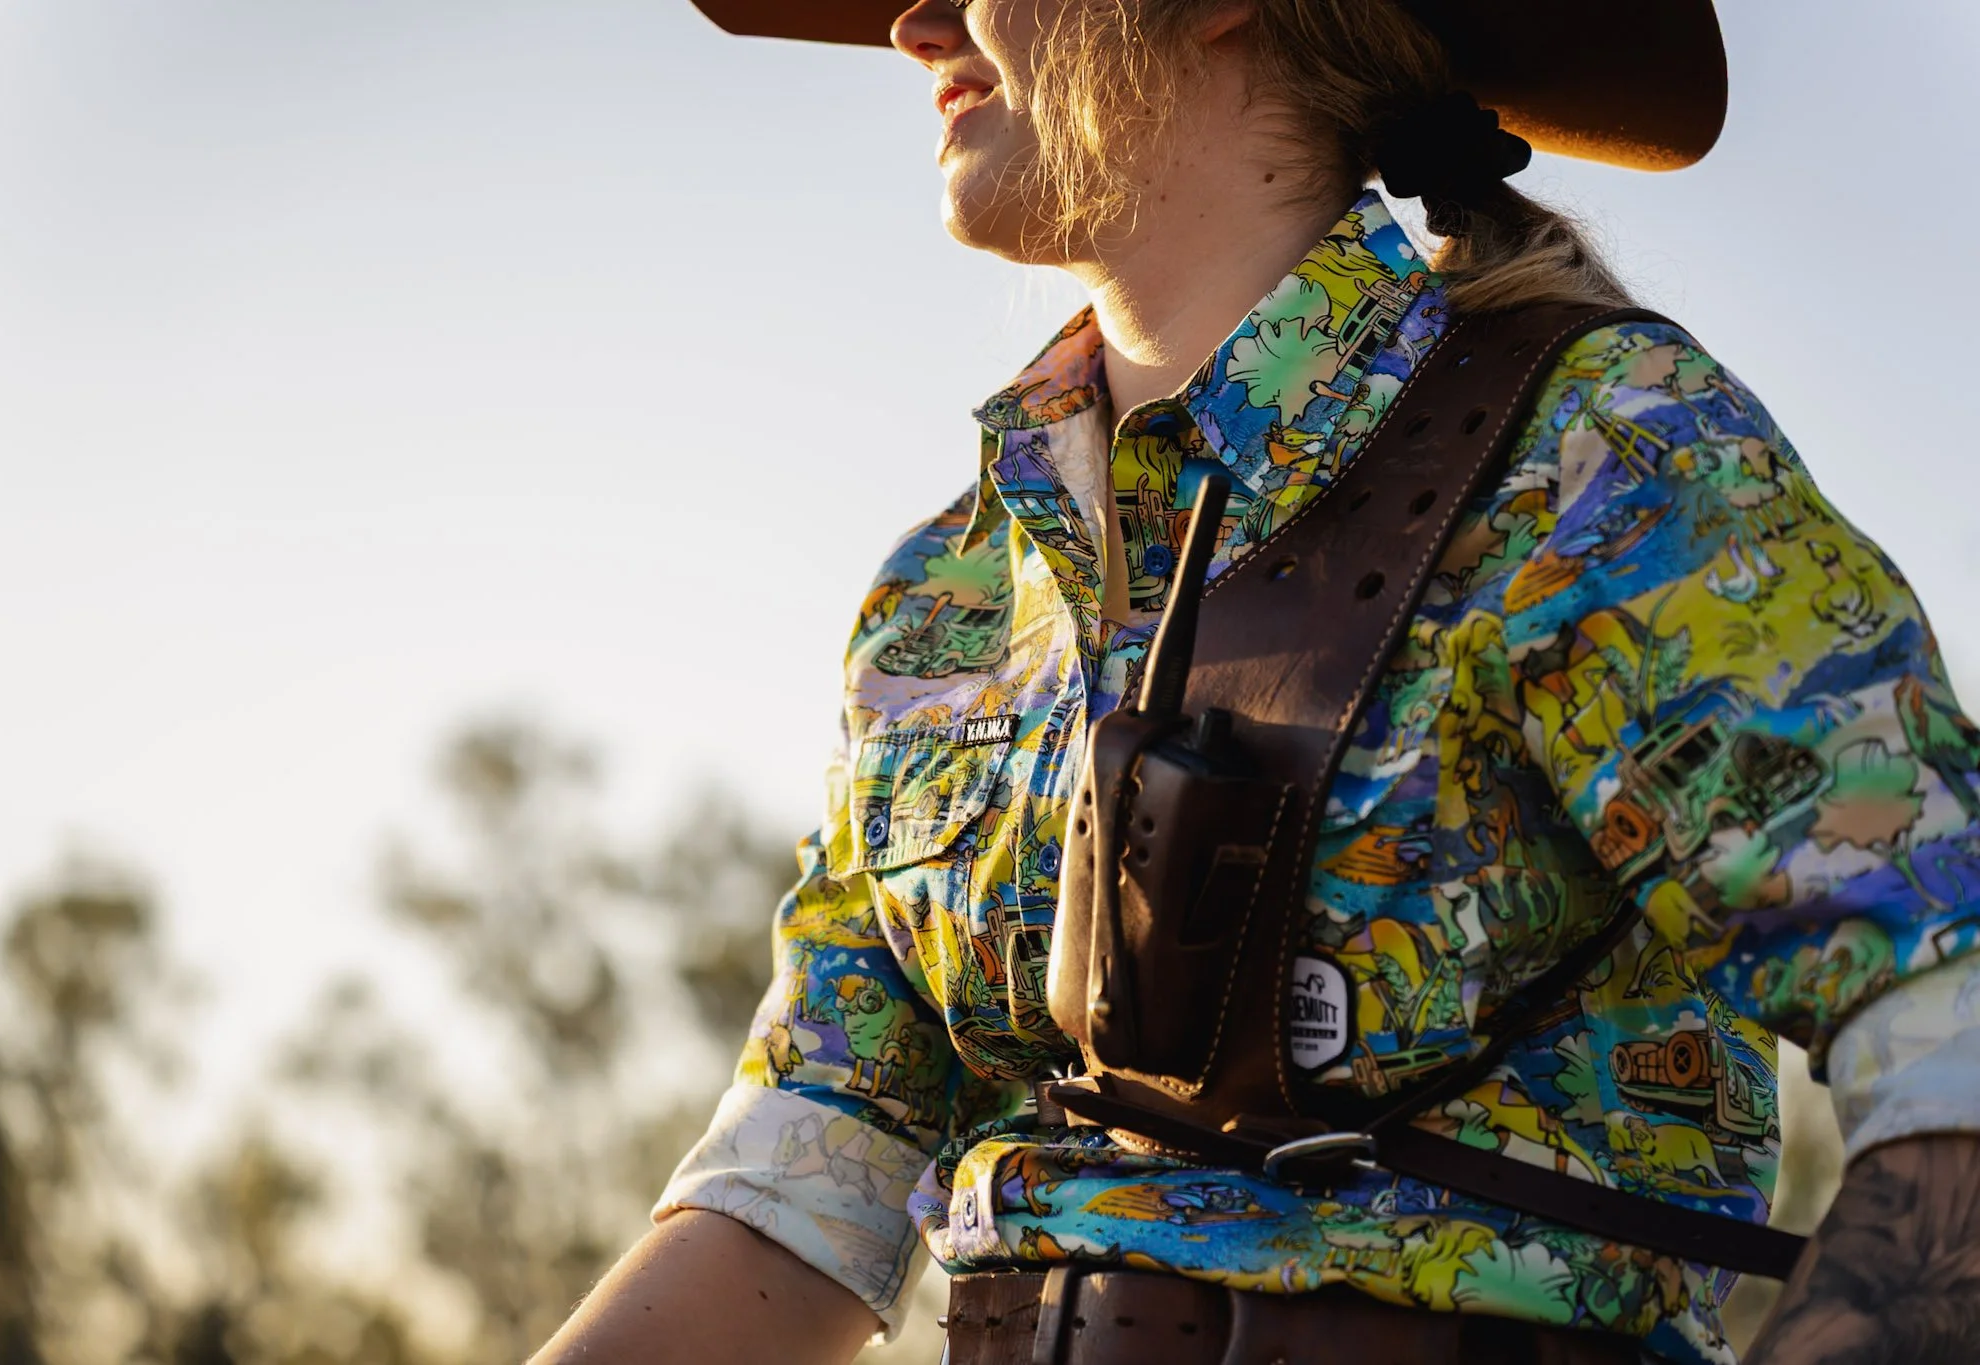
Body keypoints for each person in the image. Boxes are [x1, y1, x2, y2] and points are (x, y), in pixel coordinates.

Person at [532, 2, 1980, 1362]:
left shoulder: (1604, 456)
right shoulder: (947, 597)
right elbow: (794, 1193)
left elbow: (1955, 1028)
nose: (915, 19)